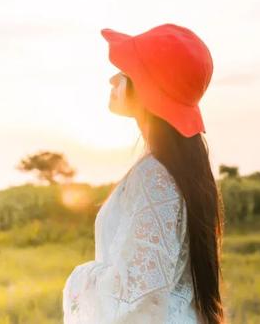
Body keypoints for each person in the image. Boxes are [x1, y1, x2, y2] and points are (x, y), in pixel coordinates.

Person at [62, 23, 225, 324]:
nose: (112, 78)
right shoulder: (171, 169)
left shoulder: (156, 177)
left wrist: (78, 278)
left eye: (124, 71)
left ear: (148, 88)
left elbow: (136, 300)